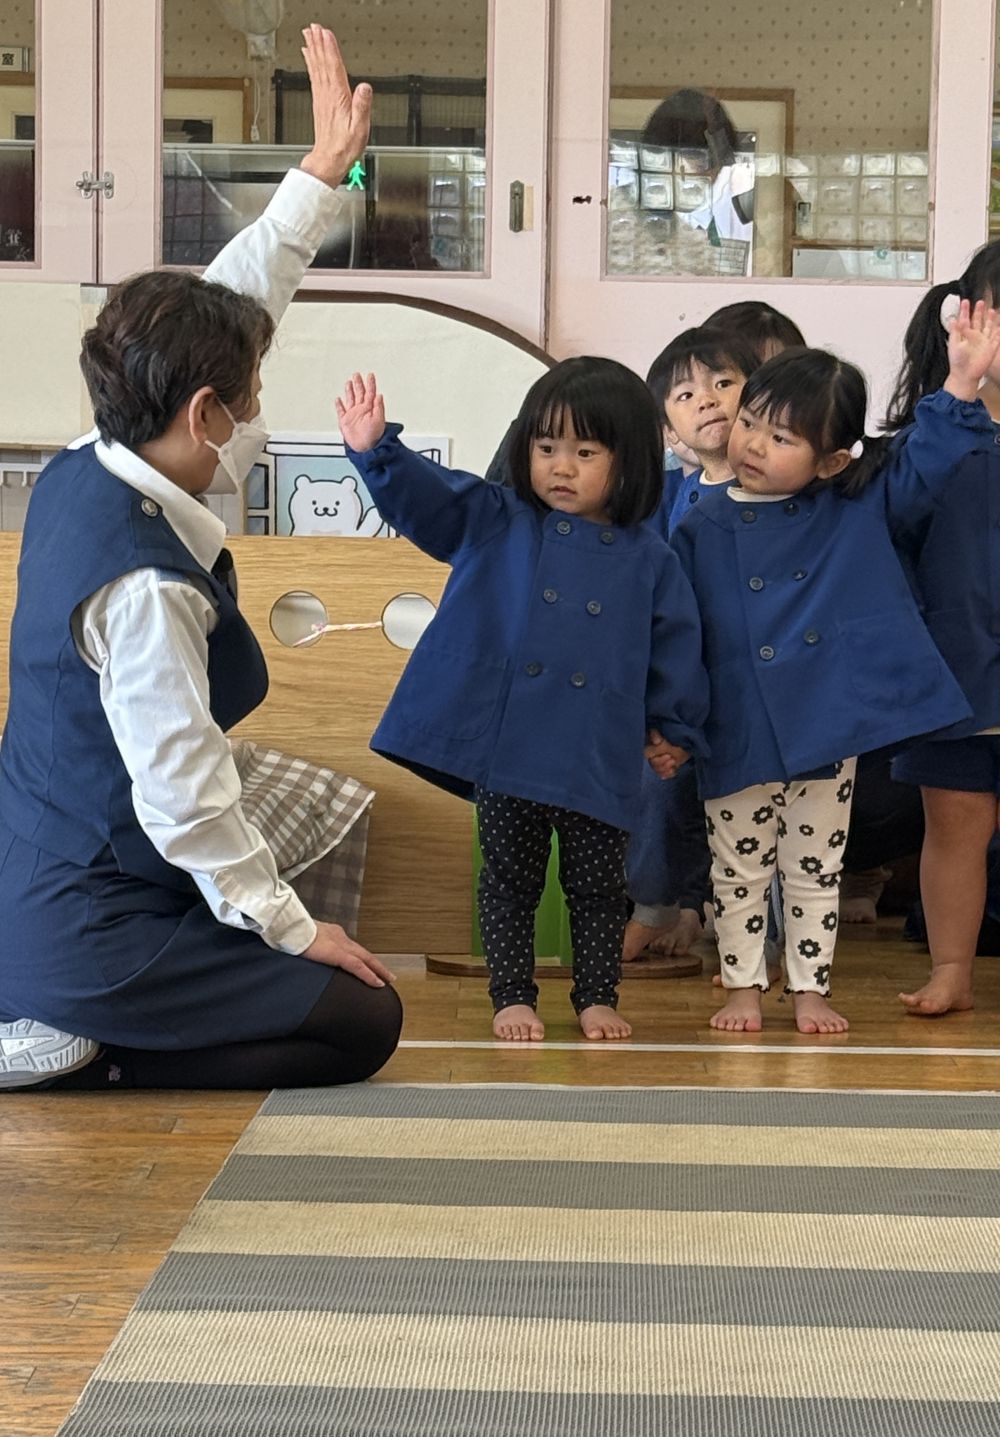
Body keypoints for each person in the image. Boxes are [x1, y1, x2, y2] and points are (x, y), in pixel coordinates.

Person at [0, 25, 403, 1092]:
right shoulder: (144, 590)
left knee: (276, 933)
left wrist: (316, 181)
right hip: (90, 915)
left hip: (53, 867)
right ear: (205, 411)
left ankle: (67, 1016)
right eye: (252, 403)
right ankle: (89, 1038)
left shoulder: (94, 457)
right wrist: (286, 925)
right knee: (363, 1018)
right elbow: (182, 788)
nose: (261, 417)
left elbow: (234, 301)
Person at [336, 362, 709, 1043]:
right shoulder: (495, 519)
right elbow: (430, 497)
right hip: (509, 749)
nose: (561, 467)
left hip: (599, 751)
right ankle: (512, 996)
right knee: (509, 882)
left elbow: (676, 649)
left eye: (585, 452)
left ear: (628, 462)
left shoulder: (650, 558)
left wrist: (674, 726)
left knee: (599, 890)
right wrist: (376, 450)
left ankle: (597, 995)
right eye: (545, 448)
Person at [668, 332, 995, 1034]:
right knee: (738, 870)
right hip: (738, 725)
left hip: (828, 723)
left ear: (834, 459)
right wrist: (670, 720)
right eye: (751, 420)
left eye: (780, 436)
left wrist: (963, 386)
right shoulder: (699, 523)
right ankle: (745, 987)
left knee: (818, 866)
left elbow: (924, 469)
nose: (753, 442)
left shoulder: (856, 507)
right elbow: (676, 638)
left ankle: (810, 986)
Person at [626, 312, 805, 968]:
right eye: (684, 394)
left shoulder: (794, 494)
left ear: (760, 404)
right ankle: (656, 906)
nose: (705, 397)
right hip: (688, 693)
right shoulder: (665, 499)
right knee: (660, 785)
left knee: (777, 818)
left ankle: (782, 941)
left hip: (773, 695)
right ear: (671, 435)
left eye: (723, 383)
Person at [880, 257, 1000, 1014]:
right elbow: (898, 511)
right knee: (955, 823)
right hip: (959, 666)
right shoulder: (943, 426)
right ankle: (952, 966)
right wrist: (959, 389)